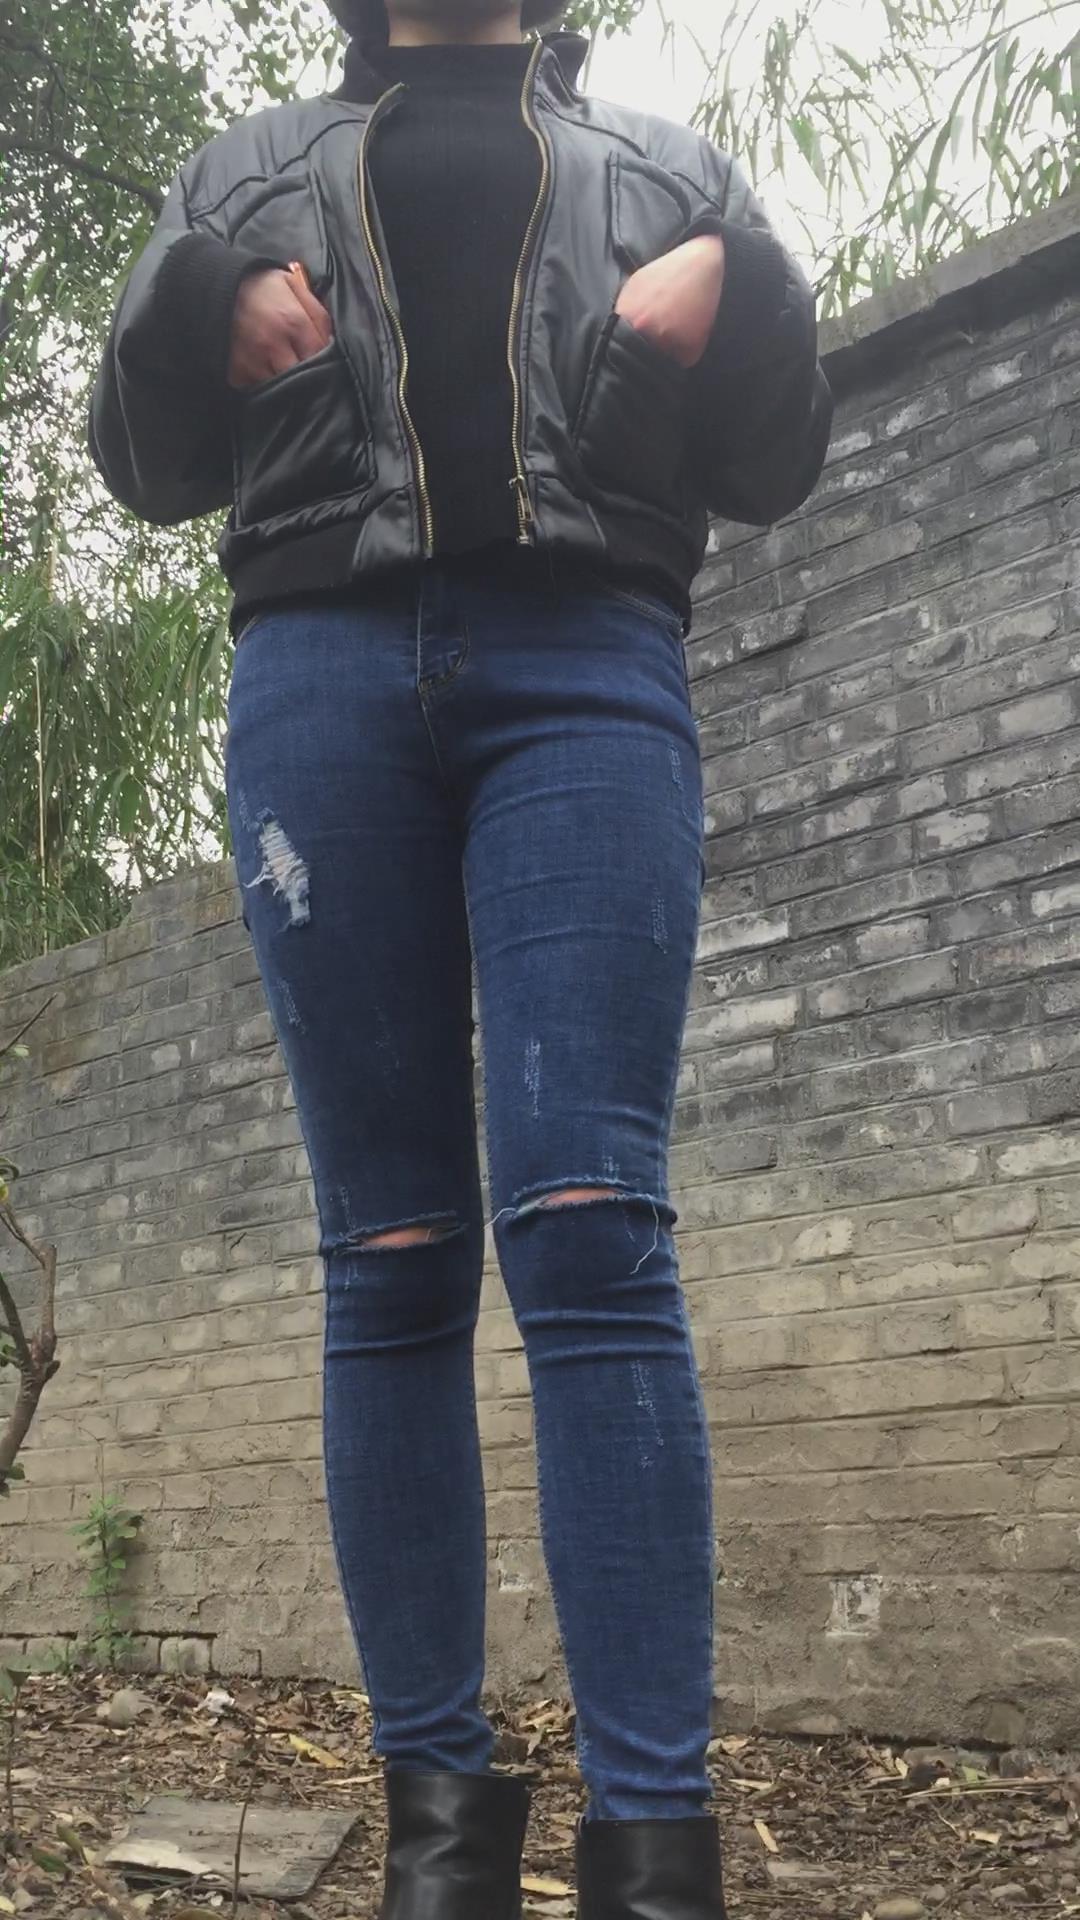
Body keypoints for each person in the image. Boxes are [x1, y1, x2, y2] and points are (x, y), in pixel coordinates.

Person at [89, 1, 832, 1912]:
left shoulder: (668, 171)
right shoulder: (244, 171)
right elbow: (140, 461)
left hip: (589, 667)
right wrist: (193, 295)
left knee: (592, 1225)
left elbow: (777, 458)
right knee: (393, 1251)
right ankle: (440, 1840)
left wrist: (744, 283)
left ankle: (653, 1852)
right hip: (320, 676)